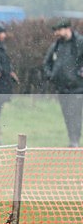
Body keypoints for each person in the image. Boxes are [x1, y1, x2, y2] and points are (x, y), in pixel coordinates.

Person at [43, 18, 83, 147]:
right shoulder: (56, 46)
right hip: (61, 87)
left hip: (77, 87)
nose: (57, 33)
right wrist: (52, 76)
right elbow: (46, 63)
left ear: (67, 29)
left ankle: (75, 140)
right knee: (67, 114)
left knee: (75, 114)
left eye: (59, 30)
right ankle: (72, 139)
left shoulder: (80, 42)